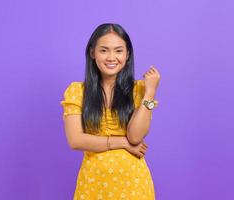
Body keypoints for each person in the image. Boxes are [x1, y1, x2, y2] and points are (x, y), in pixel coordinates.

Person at [61, 23, 160, 200]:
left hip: (134, 185)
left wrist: (150, 93)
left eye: (118, 51)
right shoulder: (77, 91)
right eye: (104, 50)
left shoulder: (140, 90)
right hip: (93, 183)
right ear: (93, 53)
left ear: (127, 54)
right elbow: (75, 140)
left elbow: (135, 137)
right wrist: (122, 143)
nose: (111, 57)